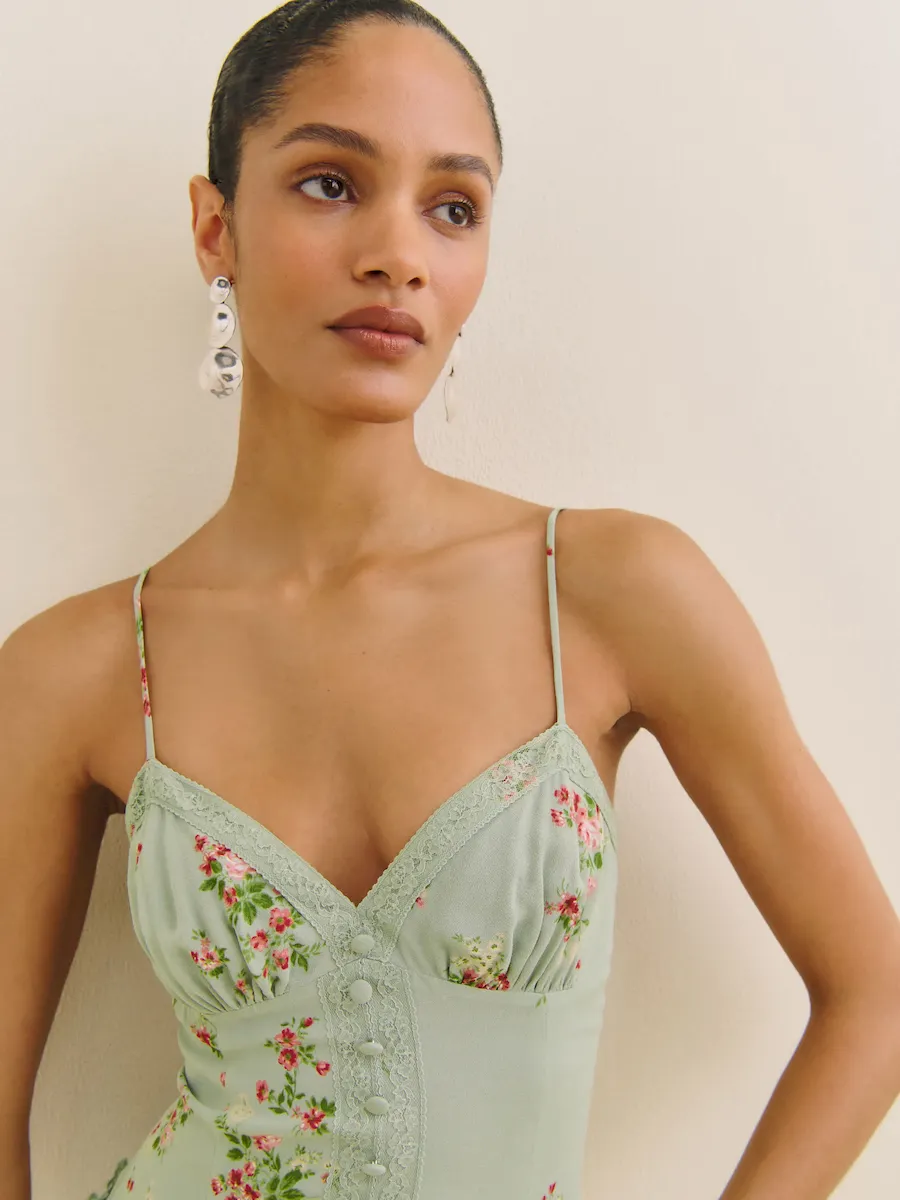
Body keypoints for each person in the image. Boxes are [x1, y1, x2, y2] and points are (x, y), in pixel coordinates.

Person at [4, 3, 900, 1199]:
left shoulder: (611, 593)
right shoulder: (77, 671)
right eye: (331, 184)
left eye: (453, 207)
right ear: (217, 228)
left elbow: (876, 993)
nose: (399, 254)